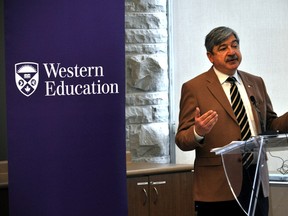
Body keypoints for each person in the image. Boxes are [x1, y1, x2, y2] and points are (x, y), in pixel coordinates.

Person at [175, 26, 288, 216]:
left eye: (234, 46)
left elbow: (270, 126)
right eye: (223, 48)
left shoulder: (256, 82)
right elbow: (182, 139)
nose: (232, 52)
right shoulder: (194, 88)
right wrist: (198, 131)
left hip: (256, 181)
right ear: (210, 56)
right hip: (218, 185)